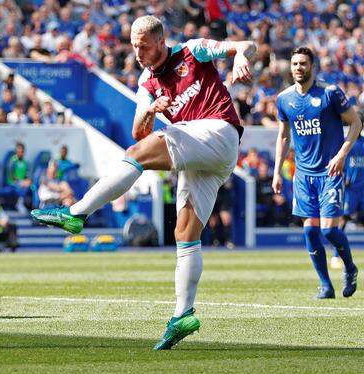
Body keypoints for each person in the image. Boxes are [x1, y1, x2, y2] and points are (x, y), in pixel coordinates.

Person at [32, 15, 256, 350]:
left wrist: (240, 56)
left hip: (218, 130)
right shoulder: (147, 83)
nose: (138, 52)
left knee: (139, 154)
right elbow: (139, 130)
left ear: (160, 42)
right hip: (204, 153)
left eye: (144, 46)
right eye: (134, 45)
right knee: (185, 233)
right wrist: (152, 110)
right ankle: (183, 314)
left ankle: (76, 212)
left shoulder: (192, 51)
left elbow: (246, 45)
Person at [272, 47, 362, 299]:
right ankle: (326, 285)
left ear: (312, 66)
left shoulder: (330, 93)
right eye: (294, 64)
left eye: (303, 63)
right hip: (303, 175)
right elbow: (282, 136)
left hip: (330, 173)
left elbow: (355, 122)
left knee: (329, 230)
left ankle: (350, 268)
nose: (298, 68)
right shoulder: (284, 99)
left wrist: (342, 154)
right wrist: (277, 172)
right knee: (309, 230)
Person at [331, 110, 364, 270]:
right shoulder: (345, 144)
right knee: (342, 220)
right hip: (350, 190)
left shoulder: (362, 143)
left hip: (362, 189)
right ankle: (336, 255)